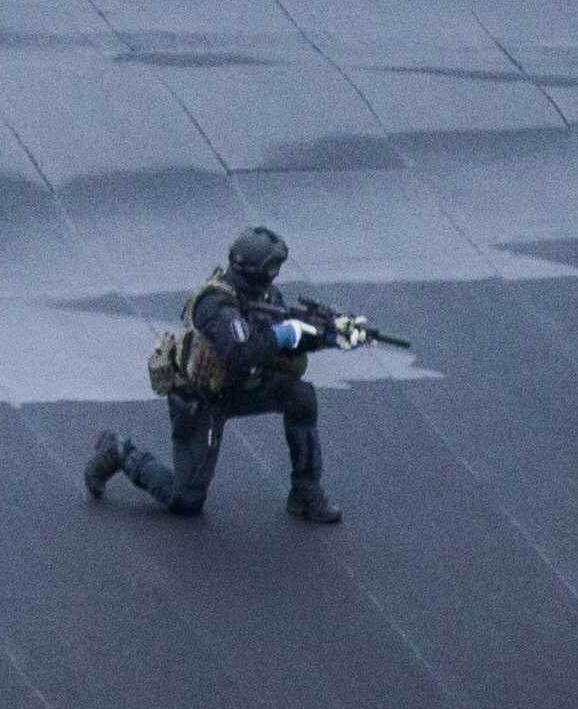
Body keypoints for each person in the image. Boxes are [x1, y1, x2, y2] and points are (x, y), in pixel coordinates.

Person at [84, 225, 374, 526]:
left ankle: (305, 491)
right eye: (271, 267)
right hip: (201, 399)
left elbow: (286, 343)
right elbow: (241, 353)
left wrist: (329, 337)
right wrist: (284, 334)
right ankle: (121, 452)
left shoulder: (266, 296)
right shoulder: (215, 303)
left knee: (301, 397)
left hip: (240, 387)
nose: (275, 273)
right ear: (252, 270)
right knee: (186, 501)